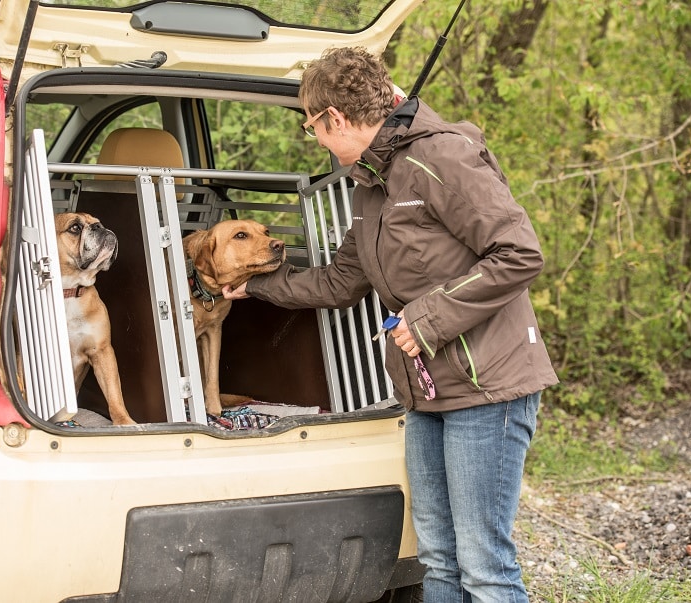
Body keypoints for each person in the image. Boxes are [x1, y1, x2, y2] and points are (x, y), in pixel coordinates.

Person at [222, 47, 559, 602]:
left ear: (335, 118)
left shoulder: (441, 157)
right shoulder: (371, 185)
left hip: (488, 389)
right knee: (439, 562)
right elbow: (339, 282)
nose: (318, 141)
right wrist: (255, 287)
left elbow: (519, 254)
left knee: (484, 567)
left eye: (313, 128)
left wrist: (426, 319)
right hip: (426, 392)